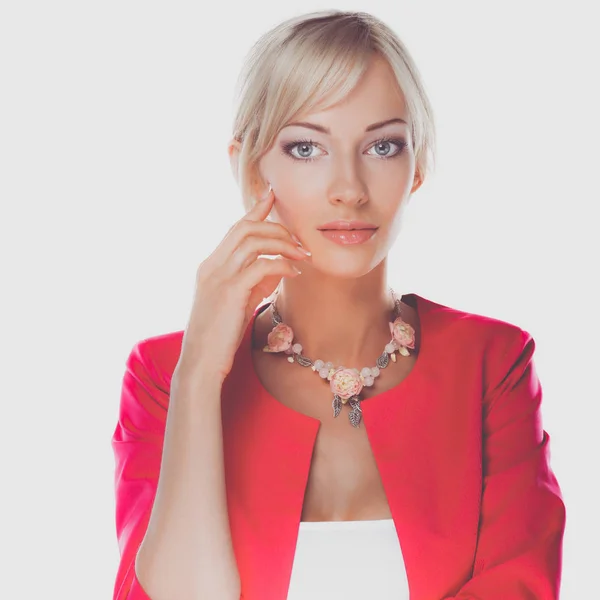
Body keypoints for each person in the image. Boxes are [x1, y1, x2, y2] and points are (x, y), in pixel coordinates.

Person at [111, 10, 566, 600]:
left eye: (382, 145)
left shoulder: (492, 362)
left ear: (418, 166)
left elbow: (521, 587)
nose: (348, 186)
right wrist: (198, 374)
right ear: (251, 171)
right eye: (306, 148)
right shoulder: (162, 375)